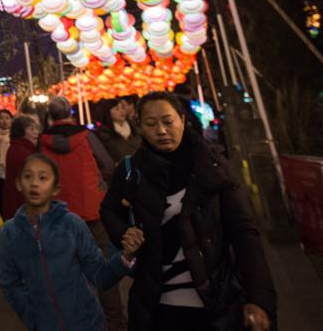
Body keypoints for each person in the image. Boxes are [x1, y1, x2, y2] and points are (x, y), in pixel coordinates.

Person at [100, 91, 277, 331]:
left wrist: (259, 297)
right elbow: (109, 210)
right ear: (140, 127)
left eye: (168, 121)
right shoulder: (131, 171)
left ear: (182, 120)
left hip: (214, 301)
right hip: (157, 306)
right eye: (151, 124)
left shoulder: (213, 166)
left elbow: (243, 231)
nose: (161, 130)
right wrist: (125, 233)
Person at [0, 154, 145, 331]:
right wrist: (32, 318)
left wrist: (125, 256)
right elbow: (10, 283)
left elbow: (100, 275)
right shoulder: (10, 232)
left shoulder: (71, 224)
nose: (34, 183)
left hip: (88, 323)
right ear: (18, 183)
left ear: (55, 188)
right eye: (28, 176)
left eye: (43, 177)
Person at [39, 95, 126, 331]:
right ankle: (115, 323)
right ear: (71, 112)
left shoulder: (42, 142)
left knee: (68, 272)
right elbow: (107, 165)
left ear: (50, 116)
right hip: (93, 211)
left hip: (58, 216)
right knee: (103, 267)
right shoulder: (86, 136)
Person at [2, 114, 39, 220]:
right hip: (22, 206)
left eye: (36, 129)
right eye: (31, 129)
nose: (36, 132)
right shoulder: (23, 152)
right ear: (21, 132)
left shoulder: (16, 148)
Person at [96, 98, 142, 167]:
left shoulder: (135, 128)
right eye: (117, 109)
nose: (122, 111)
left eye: (122, 108)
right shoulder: (104, 134)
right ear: (108, 112)